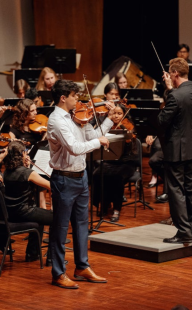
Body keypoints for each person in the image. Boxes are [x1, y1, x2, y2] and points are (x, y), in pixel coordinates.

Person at [47, 79, 112, 289]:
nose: (79, 100)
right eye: (75, 96)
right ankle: (58, 273)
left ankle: (82, 266)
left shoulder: (77, 117)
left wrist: (107, 119)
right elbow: (75, 147)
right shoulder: (56, 120)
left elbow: (93, 136)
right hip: (63, 179)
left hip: (81, 177)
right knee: (60, 228)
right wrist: (97, 142)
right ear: (63, 98)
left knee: (82, 226)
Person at [157, 57, 192, 244]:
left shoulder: (175, 95)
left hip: (176, 151)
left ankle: (184, 232)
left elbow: (162, 120)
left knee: (176, 191)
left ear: (174, 74)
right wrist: (172, 89)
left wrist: (169, 90)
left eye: (171, 72)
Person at [3, 141, 53, 264]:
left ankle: (32, 253)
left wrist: (27, 168)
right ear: (22, 154)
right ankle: (53, 257)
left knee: (40, 219)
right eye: (26, 152)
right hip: (24, 211)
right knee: (58, 218)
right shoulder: (28, 173)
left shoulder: (6, 172)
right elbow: (50, 185)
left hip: (10, 213)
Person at [92, 103, 139, 222]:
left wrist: (126, 138)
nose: (117, 116)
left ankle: (116, 209)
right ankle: (103, 204)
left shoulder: (128, 126)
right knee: (97, 174)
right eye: (115, 114)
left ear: (124, 115)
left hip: (126, 163)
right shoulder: (107, 127)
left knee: (116, 177)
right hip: (110, 161)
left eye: (120, 114)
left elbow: (131, 150)